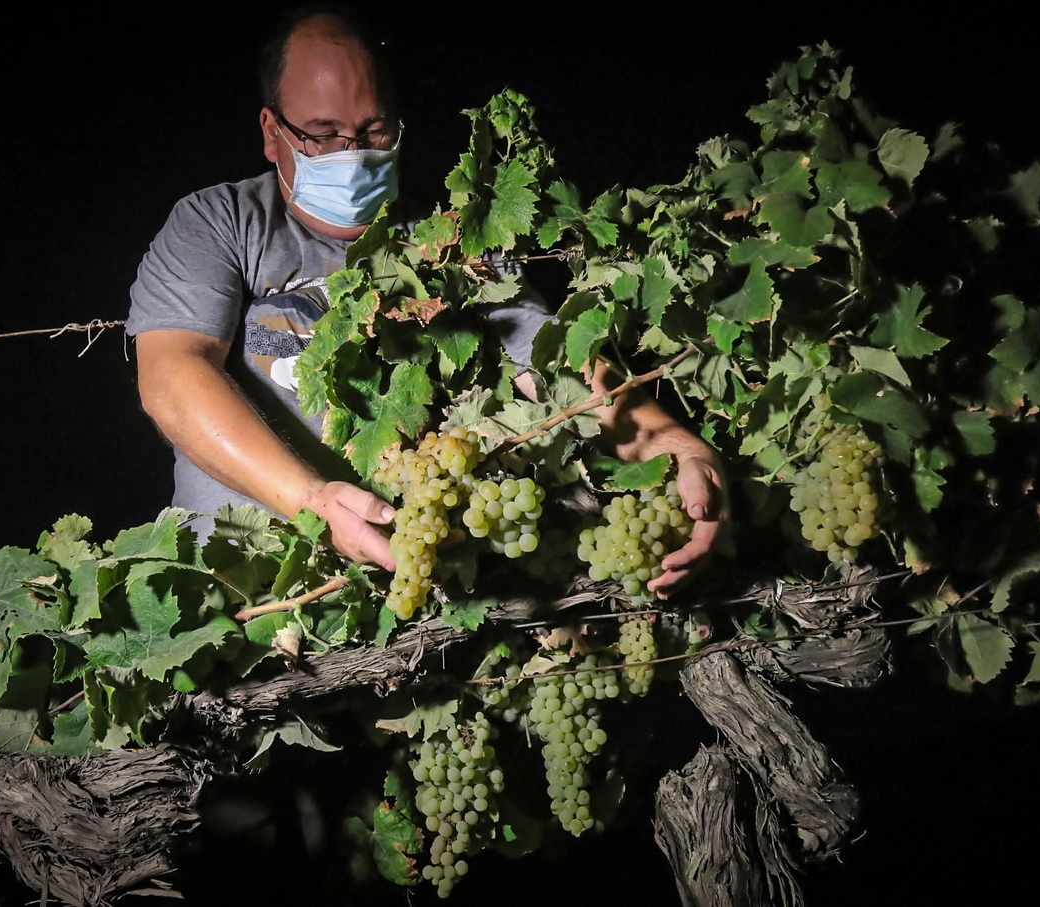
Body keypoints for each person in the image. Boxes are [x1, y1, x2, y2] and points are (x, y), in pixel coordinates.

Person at [127, 6, 725, 598]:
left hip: (416, 598)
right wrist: (313, 501)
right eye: (323, 134)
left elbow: (552, 368)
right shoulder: (218, 223)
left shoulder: (453, 242)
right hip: (247, 587)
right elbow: (172, 377)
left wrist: (677, 445)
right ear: (271, 130)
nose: (353, 153)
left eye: (374, 131)